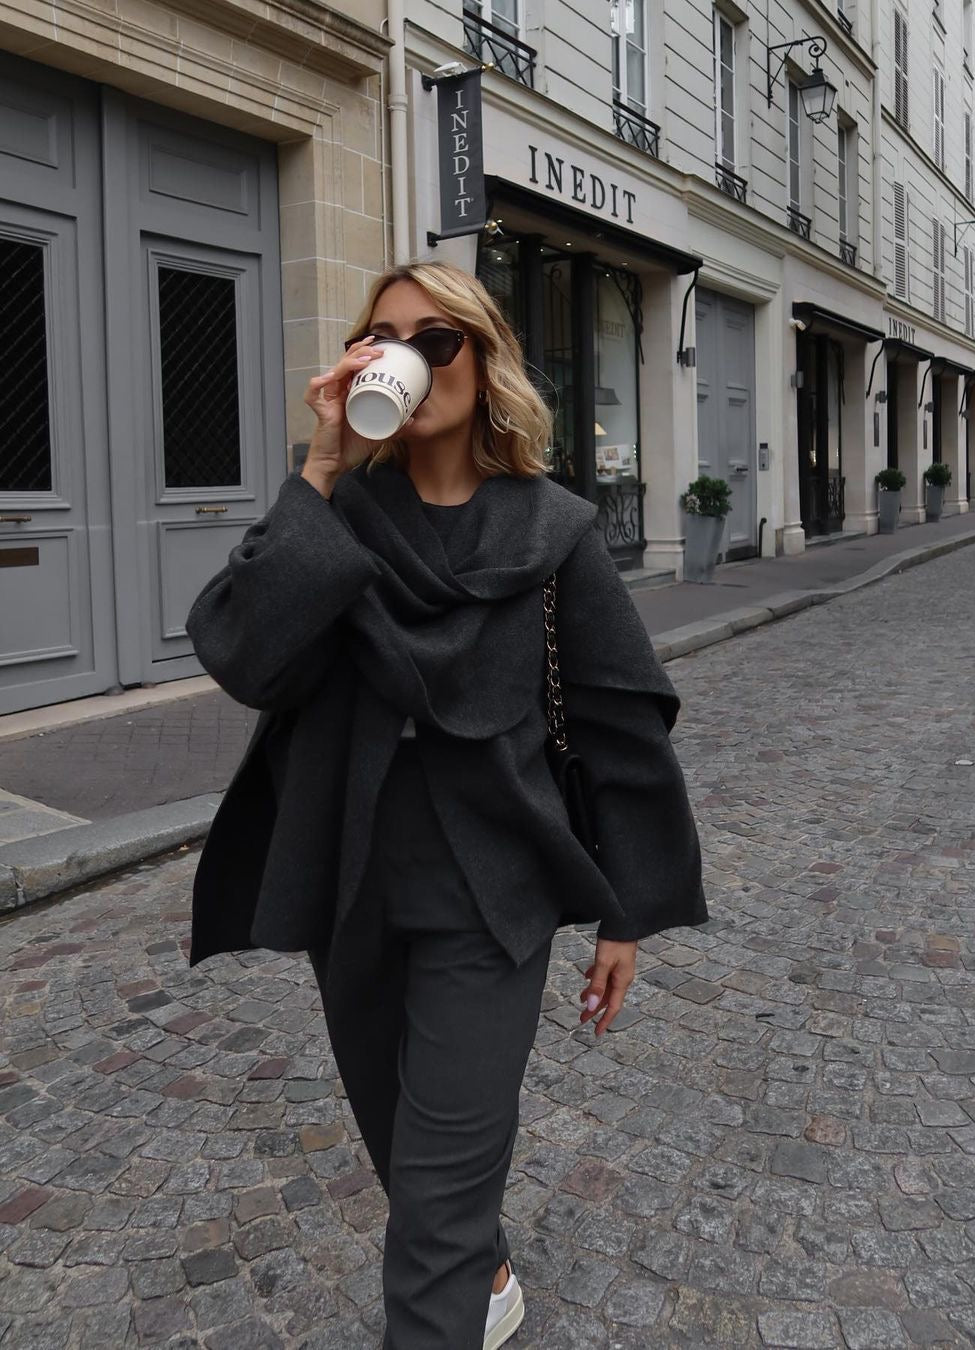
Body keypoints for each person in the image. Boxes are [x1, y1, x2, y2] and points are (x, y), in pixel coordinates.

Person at [185, 261, 706, 1350]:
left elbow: (619, 727)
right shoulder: (335, 517)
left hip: (490, 894)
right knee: (403, 1147)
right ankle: (488, 1267)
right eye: (382, 337)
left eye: (436, 339)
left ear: (485, 360)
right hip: (350, 881)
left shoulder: (554, 531)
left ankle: (452, 1289)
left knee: (432, 1209)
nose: (408, 359)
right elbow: (240, 652)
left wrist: (628, 909)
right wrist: (320, 468)